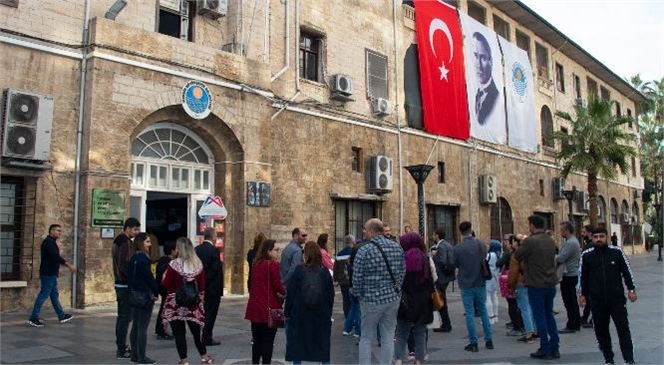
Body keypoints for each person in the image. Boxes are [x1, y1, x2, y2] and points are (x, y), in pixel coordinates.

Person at [579, 227, 637, 365]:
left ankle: (629, 359)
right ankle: (608, 359)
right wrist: (582, 295)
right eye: (596, 237)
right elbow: (583, 277)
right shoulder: (586, 255)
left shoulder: (616, 253)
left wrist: (631, 289)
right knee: (601, 330)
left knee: (623, 329)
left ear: (607, 237)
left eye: (602, 236)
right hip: (597, 300)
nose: (599, 239)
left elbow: (626, 271)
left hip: (616, 299)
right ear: (592, 238)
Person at [353, 218, 405, 365]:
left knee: (366, 337)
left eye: (364, 229)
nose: (363, 232)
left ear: (371, 231)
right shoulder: (397, 248)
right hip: (392, 299)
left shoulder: (364, 250)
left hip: (370, 300)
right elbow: (402, 273)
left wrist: (359, 294)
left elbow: (356, 278)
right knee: (388, 336)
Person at [514, 215, 560, 360]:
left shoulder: (530, 241)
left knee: (539, 316)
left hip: (536, 283)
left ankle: (544, 348)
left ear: (533, 225)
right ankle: (555, 346)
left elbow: (517, 255)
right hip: (550, 283)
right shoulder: (550, 240)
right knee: (549, 315)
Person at [162, 237, 213, 365]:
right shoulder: (198, 265)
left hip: (176, 303)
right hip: (193, 304)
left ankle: (184, 361)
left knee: (179, 334)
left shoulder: (174, 265)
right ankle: (205, 357)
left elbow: (166, 284)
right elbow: (202, 286)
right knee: (197, 333)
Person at [285, 241, 335, 364]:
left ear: (306, 254)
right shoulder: (325, 272)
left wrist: (287, 311)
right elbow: (331, 295)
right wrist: (328, 312)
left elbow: (291, 293)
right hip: (320, 314)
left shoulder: (299, 270)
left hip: (300, 314)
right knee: (323, 346)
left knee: (298, 345)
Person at [453, 221, 493, 352]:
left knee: (469, 313)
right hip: (480, 281)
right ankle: (489, 340)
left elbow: (455, 263)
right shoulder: (480, 244)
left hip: (466, 283)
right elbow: (484, 258)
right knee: (483, 311)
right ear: (471, 229)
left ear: (460, 232)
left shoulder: (458, 248)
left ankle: (474, 342)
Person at [393, 232, 433, 365]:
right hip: (422, 300)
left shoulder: (402, 258)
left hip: (405, 300)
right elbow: (432, 281)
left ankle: (398, 359)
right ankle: (419, 360)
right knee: (420, 333)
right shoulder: (425, 258)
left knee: (401, 333)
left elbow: (399, 280)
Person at [245, 239, 286, 364]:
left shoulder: (256, 263)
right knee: (268, 341)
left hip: (254, 308)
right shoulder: (272, 265)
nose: (278, 253)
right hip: (268, 308)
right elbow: (278, 286)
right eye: (276, 250)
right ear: (268, 251)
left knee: (257, 341)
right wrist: (288, 292)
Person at [28, 224, 76, 327]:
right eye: (58, 231)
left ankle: (61, 315)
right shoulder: (49, 242)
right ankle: (33, 317)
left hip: (52, 274)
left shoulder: (51, 242)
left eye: (60, 231)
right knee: (44, 294)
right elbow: (55, 257)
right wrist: (69, 265)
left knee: (54, 295)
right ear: (52, 231)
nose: (60, 233)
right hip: (48, 273)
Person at [127, 233, 159, 365]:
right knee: (142, 327)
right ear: (141, 243)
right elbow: (149, 278)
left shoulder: (132, 258)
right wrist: (156, 291)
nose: (150, 244)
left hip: (134, 295)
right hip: (144, 296)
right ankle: (141, 357)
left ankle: (134, 355)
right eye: (147, 242)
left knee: (135, 325)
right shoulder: (142, 259)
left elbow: (129, 277)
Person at [113, 217, 141, 360]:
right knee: (125, 317)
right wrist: (132, 277)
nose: (136, 232)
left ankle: (121, 346)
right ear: (128, 228)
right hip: (124, 284)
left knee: (123, 317)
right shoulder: (124, 242)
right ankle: (121, 348)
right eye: (135, 229)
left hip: (120, 283)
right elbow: (123, 264)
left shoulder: (119, 240)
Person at [195, 227, 224, 346]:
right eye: (216, 235)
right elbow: (214, 269)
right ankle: (207, 337)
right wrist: (206, 281)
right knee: (210, 313)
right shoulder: (214, 251)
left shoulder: (197, 249)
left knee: (201, 311)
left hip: (200, 286)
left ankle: (200, 334)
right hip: (212, 288)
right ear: (213, 237)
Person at [507, 234, 536, 343]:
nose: (511, 243)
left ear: (517, 243)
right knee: (532, 307)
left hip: (520, 283)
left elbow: (513, 272)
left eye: (513, 241)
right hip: (532, 282)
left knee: (525, 308)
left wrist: (510, 285)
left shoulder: (516, 255)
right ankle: (535, 330)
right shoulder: (531, 253)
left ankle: (529, 333)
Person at [497, 234, 525, 337]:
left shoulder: (510, 254)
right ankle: (521, 325)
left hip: (513, 281)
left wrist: (510, 284)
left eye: (507, 241)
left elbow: (499, 263)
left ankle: (517, 327)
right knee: (519, 305)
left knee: (513, 305)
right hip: (521, 281)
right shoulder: (521, 253)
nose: (505, 242)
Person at [556, 222, 581, 333]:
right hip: (571, 273)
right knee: (572, 301)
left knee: (569, 301)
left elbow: (561, 258)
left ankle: (572, 324)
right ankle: (575, 322)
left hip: (569, 274)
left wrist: (553, 256)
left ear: (567, 230)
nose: (560, 232)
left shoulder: (570, 243)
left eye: (561, 230)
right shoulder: (571, 241)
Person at [472, 32, 499, 125]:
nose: (479, 65)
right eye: (476, 56)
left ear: (490, 61)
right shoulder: (474, 94)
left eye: (483, 58)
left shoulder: (496, 97)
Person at [431, 227, 454, 333]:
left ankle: (446, 324)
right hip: (446, 276)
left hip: (441, 277)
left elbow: (442, 260)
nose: (432, 236)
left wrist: (433, 256)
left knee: (440, 300)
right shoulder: (448, 244)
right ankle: (445, 323)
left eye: (433, 234)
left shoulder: (441, 246)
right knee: (441, 299)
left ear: (437, 235)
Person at [155, 240, 177, 340]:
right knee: (165, 309)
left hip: (164, 289)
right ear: (172, 251)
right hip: (166, 289)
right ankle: (161, 330)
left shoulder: (163, 260)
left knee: (166, 309)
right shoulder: (168, 262)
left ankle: (161, 329)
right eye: (176, 249)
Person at [333, 234, 355, 319]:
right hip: (352, 281)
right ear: (353, 242)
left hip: (343, 281)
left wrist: (335, 280)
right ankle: (352, 320)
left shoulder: (339, 254)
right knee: (354, 302)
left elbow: (335, 268)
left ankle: (347, 317)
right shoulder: (354, 252)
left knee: (346, 301)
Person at [580, 225, 595, 328]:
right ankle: (585, 317)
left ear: (589, 233)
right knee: (589, 298)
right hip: (588, 275)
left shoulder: (590, 246)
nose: (582, 234)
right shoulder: (588, 244)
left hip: (592, 276)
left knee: (592, 298)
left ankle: (593, 319)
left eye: (584, 232)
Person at [485, 239, 501, 325]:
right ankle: (495, 316)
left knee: (487, 297)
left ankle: (490, 317)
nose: (487, 246)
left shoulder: (489, 255)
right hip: (495, 277)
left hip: (488, 278)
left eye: (488, 244)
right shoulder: (498, 255)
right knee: (494, 296)